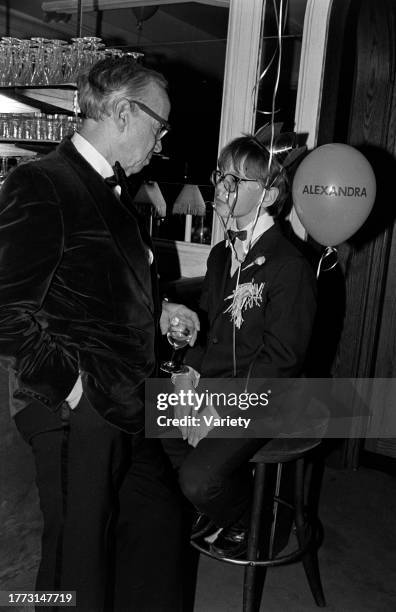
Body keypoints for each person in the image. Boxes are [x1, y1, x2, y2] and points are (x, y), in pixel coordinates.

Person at [0, 56, 199, 611]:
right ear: (120, 111)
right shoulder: (42, 181)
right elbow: (4, 312)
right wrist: (75, 389)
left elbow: (99, 285)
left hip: (125, 400)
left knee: (158, 528)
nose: (159, 144)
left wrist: (158, 312)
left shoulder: (109, 190)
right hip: (75, 411)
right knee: (76, 564)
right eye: (158, 127)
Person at [165, 135, 317, 559]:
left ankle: (248, 515)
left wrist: (217, 410)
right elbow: (210, 328)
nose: (222, 188)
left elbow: (282, 360)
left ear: (267, 194)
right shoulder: (220, 256)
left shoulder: (290, 267)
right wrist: (186, 383)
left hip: (266, 396)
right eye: (221, 176)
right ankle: (221, 504)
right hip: (218, 384)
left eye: (235, 180)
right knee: (145, 422)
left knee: (197, 479)